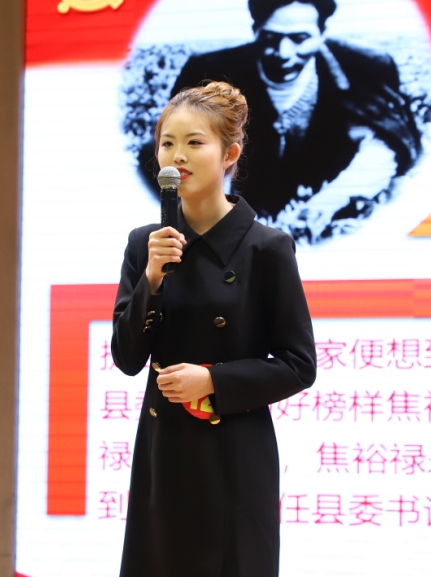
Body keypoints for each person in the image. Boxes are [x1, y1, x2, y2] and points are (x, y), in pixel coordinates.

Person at [111, 81, 317, 577]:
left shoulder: (266, 248)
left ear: (230, 154)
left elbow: (298, 364)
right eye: (167, 143)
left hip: (234, 458)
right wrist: (152, 279)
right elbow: (126, 357)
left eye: (194, 142)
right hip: (164, 453)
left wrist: (213, 380)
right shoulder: (145, 245)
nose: (176, 156)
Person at [152, 0, 424, 235]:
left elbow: (387, 147)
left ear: (322, 33)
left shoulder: (365, 67)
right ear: (255, 30)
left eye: (300, 39)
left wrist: (329, 202)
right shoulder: (208, 69)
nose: (284, 53)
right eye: (271, 38)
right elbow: (179, 148)